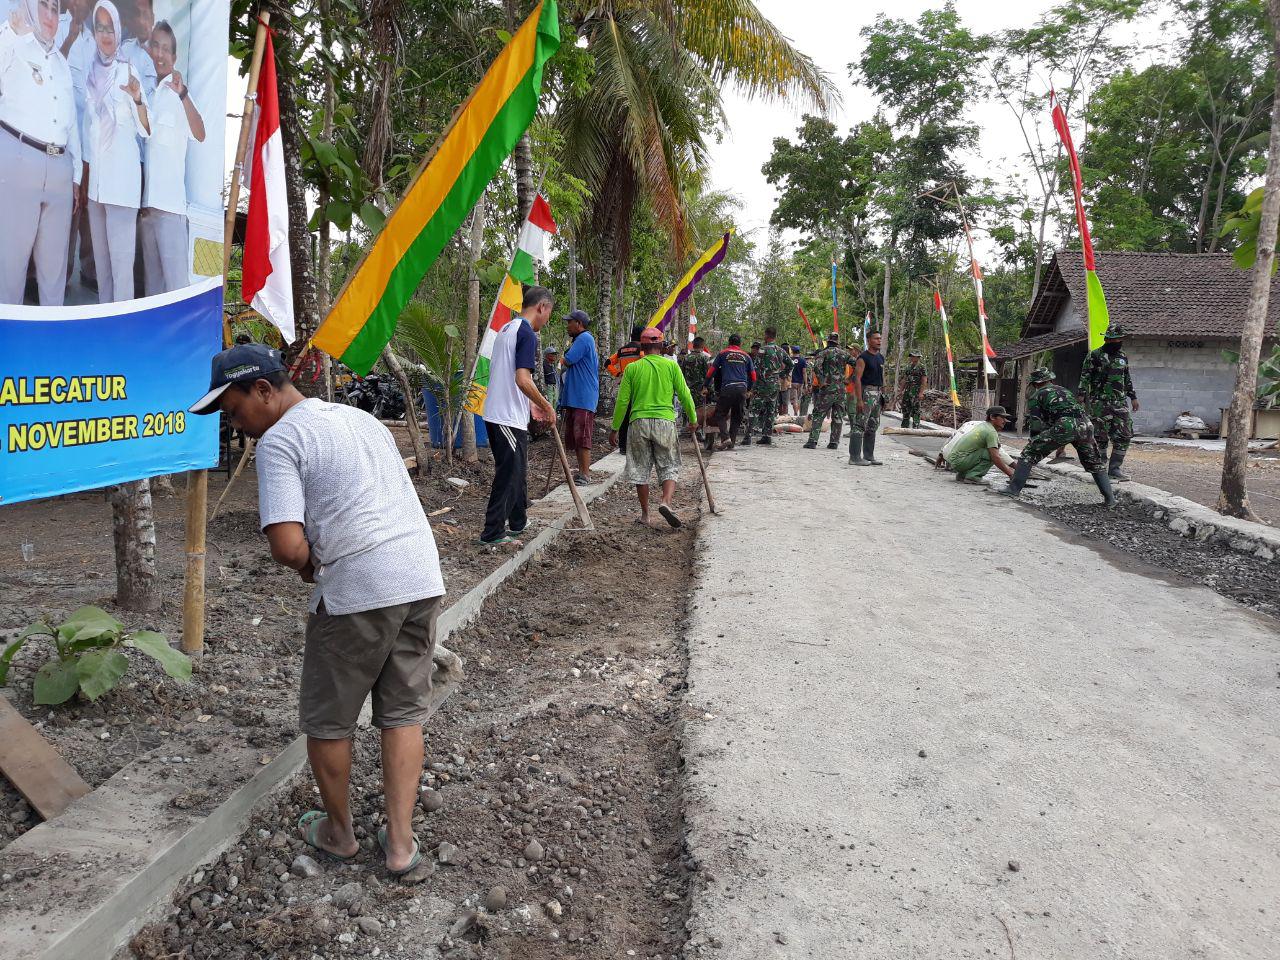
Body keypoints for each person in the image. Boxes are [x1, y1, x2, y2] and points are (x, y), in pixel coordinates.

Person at [189, 343, 446, 876]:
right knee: (402, 712)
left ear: (263, 389)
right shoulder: (359, 419)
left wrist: (310, 564)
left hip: (359, 587)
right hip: (420, 575)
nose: (237, 426)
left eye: (234, 411)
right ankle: (401, 846)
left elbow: (286, 546)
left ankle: (340, 833)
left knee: (329, 719)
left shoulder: (281, 440)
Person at [0, 0, 82, 306]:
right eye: (43, 6)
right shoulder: (14, 42)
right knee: (10, 266)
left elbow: (71, 123)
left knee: (54, 270)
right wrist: (11, 32)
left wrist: (76, 175)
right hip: (19, 157)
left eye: (54, 8)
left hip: (59, 167)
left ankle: (52, 332)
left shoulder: (61, 63)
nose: (49, 15)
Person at [82, 0, 150, 304]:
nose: (106, 35)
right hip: (97, 187)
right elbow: (88, 130)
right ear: (95, 32)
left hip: (121, 186)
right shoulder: (90, 72)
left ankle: (123, 327)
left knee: (122, 270)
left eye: (110, 28)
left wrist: (137, 99)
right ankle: (104, 323)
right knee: (102, 267)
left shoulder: (128, 71)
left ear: (119, 30)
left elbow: (146, 129)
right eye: (100, 28)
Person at [479, 286, 555, 546]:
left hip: (500, 411)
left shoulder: (507, 328)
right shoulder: (527, 333)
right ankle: (492, 532)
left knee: (518, 469)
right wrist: (546, 405)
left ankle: (518, 521)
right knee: (509, 474)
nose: (547, 320)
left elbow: (508, 373)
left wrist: (531, 404)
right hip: (506, 415)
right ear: (542, 307)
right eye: (549, 313)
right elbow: (522, 379)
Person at [137, 17, 201, 295]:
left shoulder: (179, 95)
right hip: (147, 208)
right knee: (152, 290)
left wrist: (183, 94)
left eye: (166, 49)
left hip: (170, 208)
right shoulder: (147, 93)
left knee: (176, 289)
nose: (160, 54)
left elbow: (200, 133)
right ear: (149, 49)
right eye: (156, 46)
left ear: (174, 57)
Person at [610, 326, 697, 528]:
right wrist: (693, 419)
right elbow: (684, 394)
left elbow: (622, 401)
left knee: (640, 469)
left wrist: (615, 428)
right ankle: (666, 502)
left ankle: (645, 515)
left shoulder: (632, 368)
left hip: (638, 423)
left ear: (642, 347)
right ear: (662, 345)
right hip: (665, 422)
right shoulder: (671, 366)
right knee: (669, 465)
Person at [1004, 367, 1115, 506]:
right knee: (1094, 462)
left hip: (1064, 425)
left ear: (1035, 383)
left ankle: (1013, 490)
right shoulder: (1065, 391)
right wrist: (1061, 446)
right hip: (1086, 425)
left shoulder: (1037, 395)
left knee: (1028, 454)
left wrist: (1034, 441)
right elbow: (1070, 416)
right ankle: (1110, 499)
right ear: (1050, 379)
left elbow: (1036, 423)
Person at [1079, 322, 1139, 481]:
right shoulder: (1094, 355)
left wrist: (1133, 397)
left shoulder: (1122, 356)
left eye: (1118, 339)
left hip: (1120, 403)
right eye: (1113, 339)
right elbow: (1085, 376)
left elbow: (1126, 378)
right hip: (1099, 403)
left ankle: (1114, 469)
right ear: (1107, 339)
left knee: (1124, 435)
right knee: (1100, 437)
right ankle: (1099, 468)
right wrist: (1081, 395)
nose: (1117, 342)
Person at [558, 308, 599, 486]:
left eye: (570, 322)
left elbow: (567, 360)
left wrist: (560, 359)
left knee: (582, 437)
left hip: (583, 397)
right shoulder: (580, 340)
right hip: (576, 397)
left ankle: (585, 474)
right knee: (576, 437)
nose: (567, 326)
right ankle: (582, 472)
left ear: (579, 324)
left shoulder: (584, 338)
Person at [706, 332, 755, 450]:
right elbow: (753, 376)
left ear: (729, 343)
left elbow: (711, 371)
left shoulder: (723, 354)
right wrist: (749, 389)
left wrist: (705, 385)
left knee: (719, 414)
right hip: (742, 388)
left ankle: (725, 438)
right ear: (740, 344)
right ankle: (731, 442)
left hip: (728, 387)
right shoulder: (746, 356)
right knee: (737, 416)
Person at [944, 406, 1015, 484]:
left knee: (986, 451)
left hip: (955, 462)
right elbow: (996, 457)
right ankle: (973, 477)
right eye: (1002, 417)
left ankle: (962, 475)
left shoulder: (983, 426)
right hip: (960, 462)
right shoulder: (990, 432)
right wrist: (1011, 474)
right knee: (992, 454)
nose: (1005, 421)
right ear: (992, 417)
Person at [743, 326, 789, 446]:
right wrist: (781, 375)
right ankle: (767, 436)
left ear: (766, 335)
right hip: (775, 385)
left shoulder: (762, 350)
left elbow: (756, 368)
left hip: (762, 384)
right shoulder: (780, 350)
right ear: (775, 336)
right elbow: (790, 364)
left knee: (754, 410)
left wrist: (753, 386)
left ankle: (748, 437)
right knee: (770, 410)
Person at [846, 331, 886, 466]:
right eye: (876, 339)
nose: (879, 341)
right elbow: (857, 379)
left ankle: (869, 455)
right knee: (860, 425)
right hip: (867, 393)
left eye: (880, 338)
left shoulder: (880, 357)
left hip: (878, 393)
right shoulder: (863, 357)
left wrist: (884, 396)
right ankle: (854, 457)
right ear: (869, 340)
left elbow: (881, 377)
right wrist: (859, 399)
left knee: (873, 425)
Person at [803, 333, 846, 450]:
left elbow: (817, 367)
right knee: (838, 416)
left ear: (828, 341)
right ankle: (834, 442)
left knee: (818, 414)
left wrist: (821, 381)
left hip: (827, 389)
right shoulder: (844, 354)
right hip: (840, 390)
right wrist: (849, 379)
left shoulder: (823, 353)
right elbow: (856, 364)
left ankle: (813, 441)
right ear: (837, 341)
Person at [678, 335, 712, 437]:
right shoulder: (705, 358)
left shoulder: (686, 358)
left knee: (687, 407)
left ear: (693, 345)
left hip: (688, 388)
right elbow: (708, 375)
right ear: (703, 346)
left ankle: (686, 427)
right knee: (700, 409)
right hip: (700, 389)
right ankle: (698, 430)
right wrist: (709, 388)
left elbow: (682, 374)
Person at [899, 351, 927, 429]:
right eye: (911, 356)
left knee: (916, 409)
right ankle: (904, 426)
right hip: (907, 391)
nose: (912, 358)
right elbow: (904, 379)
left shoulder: (921, 367)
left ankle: (916, 426)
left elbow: (924, 380)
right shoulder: (908, 367)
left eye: (914, 356)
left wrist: (921, 393)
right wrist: (901, 391)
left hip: (916, 391)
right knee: (905, 408)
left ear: (918, 357)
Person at [788, 345, 807, 417]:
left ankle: (795, 414)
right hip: (800, 382)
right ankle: (797, 414)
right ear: (799, 351)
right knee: (798, 399)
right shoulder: (803, 360)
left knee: (794, 400)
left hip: (792, 382)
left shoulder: (790, 359)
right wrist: (806, 383)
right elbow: (804, 372)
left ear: (792, 351)